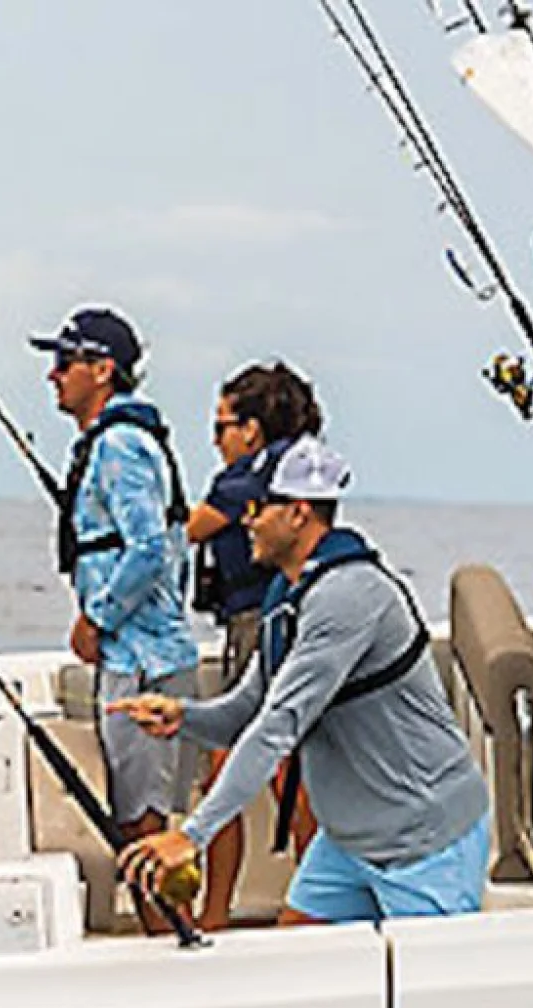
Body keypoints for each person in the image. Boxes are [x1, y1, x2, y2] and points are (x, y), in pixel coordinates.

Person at [109, 436, 491, 925]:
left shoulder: (348, 595)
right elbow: (246, 712)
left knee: (428, 999)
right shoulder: (287, 595)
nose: (246, 519)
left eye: (257, 506)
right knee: (297, 972)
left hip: (423, 842)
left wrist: (192, 835)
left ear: (298, 513)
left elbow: (277, 728)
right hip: (348, 843)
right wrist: (181, 719)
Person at [30, 307, 201, 919]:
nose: (52, 376)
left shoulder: (121, 447)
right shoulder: (112, 443)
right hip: (136, 660)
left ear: (102, 370)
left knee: (144, 830)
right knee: (140, 825)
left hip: (141, 664)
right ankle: (169, 939)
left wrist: (95, 618)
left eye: (64, 362)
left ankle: (174, 950)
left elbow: (149, 547)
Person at [183, 362, 320, 929]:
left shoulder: (244, 483)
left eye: (221, 428)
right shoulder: (293, 469)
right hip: (261, 626)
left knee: (287, 776)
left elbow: (185, 530)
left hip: (261, 628)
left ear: (252, 430)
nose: (216, 441)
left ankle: (314, 902)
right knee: (243, 771)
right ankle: (215, 911)